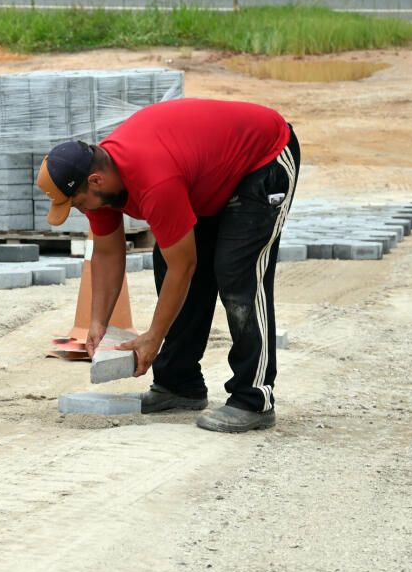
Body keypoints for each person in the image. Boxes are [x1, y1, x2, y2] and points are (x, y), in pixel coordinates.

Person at [37, 98, 300, 433]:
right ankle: (179, 384)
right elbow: (106, 253)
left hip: (262, 158)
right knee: (167, 259)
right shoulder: (99, 179)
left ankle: (254, 398)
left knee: (238, 273)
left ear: (95, 181)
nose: (78, 210)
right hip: (205, 173)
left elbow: (185, 266)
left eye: (75, 203)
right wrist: (97, 323)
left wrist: (153, 337)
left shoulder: (153, 180)